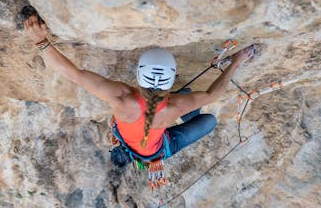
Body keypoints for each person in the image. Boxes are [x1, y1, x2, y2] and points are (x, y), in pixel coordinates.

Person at [23, 14, 255, 168]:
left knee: (207, 119)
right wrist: (236, 62)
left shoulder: (122, 98)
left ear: (138, 76)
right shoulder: (174, 106)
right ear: (170, 80)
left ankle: (187, 103)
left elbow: (72, 73)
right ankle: (187, 100)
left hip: (154, 147)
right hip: (161, 145)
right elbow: (212, 95)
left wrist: (41, 42)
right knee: (196, 104)